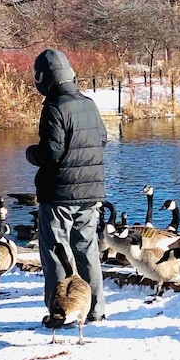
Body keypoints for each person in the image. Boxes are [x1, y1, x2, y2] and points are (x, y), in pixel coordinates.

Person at [26, 48, 107, 322]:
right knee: (87, 251)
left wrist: (31, 153)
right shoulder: (89, 103)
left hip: (59, 194)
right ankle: (95, 310)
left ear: (45, 78)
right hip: (91, 192)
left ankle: (59, 312)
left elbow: (50, 154)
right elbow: (103, 140)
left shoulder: (53, 108)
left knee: (56, 254)